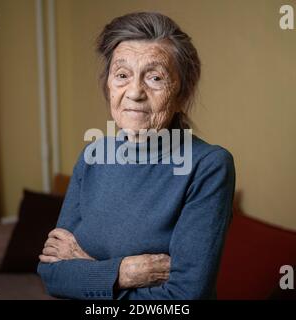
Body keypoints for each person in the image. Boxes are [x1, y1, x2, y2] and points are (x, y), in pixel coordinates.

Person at [37, 11, 235, 300]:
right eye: (122, 75)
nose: (135, 92)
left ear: (182, 93)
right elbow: (52, 276)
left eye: (155, 77)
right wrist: (123, 273)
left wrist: (88, 272)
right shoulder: (93, 156)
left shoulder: (208, 166)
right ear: (108, 86)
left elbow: (183, 299)